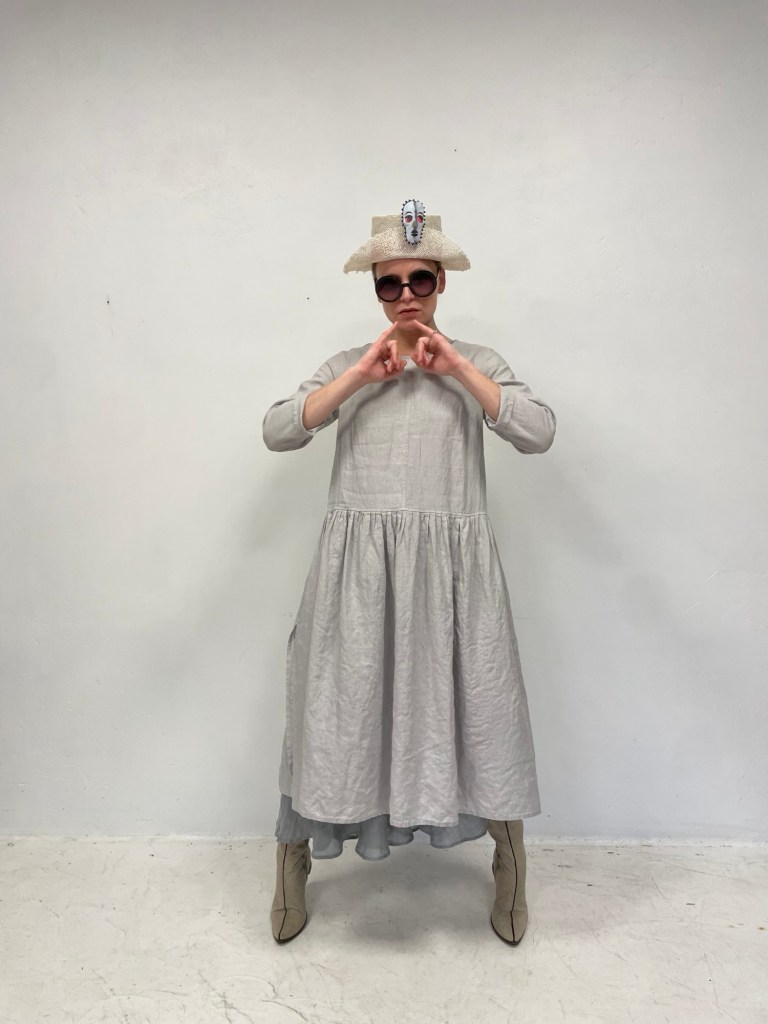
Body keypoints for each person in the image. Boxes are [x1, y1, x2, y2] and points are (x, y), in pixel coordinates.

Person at [262, 200, 556, 947]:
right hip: (358, 578)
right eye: (388, 283)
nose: (404, 296)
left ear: (441, 282)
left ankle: (509, 855)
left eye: (419, 279)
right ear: (375, 290)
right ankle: (292, 855)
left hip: (452, 578)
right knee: (332, 714)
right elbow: (279, 430)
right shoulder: (349, 364)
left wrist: (455, 367)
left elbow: (538, 432)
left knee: (480, 709)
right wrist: (361, 376)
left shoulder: (478, 361)